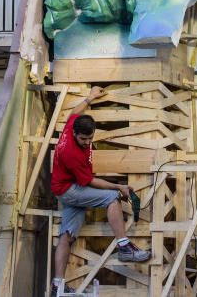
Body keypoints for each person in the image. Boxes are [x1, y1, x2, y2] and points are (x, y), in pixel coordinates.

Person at [50, 85, 151, 296]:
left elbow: (73, 113)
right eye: (83, 139)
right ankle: (124, 247)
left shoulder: (72, 125)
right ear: (74, 133)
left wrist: (90, 98)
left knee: (67, 236)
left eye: (90, 138)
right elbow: (89, 182)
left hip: (67, 187)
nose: (87, 143)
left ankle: (57, 285)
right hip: (69, 189)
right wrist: (118, 186)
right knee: (111, 197)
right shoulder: (70, 153)